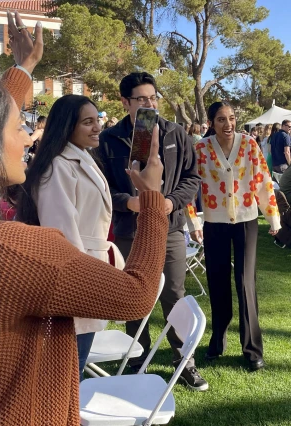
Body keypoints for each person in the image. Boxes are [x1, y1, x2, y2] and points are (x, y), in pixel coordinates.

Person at [0, 11, 168, 425]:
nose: (27, 135)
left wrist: (23, 71)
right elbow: (137, 296)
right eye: (15, 126)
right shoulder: (17, 252)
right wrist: (152, 198)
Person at [98, 72, 207, 390]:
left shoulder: (176, 133)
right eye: (142, 99)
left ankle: (184, 361)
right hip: (130, 230)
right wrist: (130, 203)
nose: (150, 104)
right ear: (125, 102)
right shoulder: (109, 140)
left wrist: (172, 203)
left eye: (153, 97)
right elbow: (102, 189)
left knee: (175, 296)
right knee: (135, 295)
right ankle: (137, 361)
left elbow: (192, 177)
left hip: (170, 227)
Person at [17, 94, 123, 382]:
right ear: (67, 126)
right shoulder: (58, 166)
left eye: (97, 119)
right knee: (66, 375)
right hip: (75, 282)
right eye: (87, 122)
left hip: (88, 271)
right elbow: (62, 238)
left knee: (72, 370)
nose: (97, 127)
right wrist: (85, 285)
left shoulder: (81, 155)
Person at [187, 101, 280, 371]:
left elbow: (263, 180)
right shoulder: (201, 149)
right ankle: (217, 340)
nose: (228, 124)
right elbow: (190, 187)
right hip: (214, 224)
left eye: (231, 118)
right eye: (220, 119)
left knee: (245, 282)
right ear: (210, 123)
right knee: (217, 281)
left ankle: (252, 349)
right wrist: (193, 221)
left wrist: (272, 217)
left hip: (246, 222)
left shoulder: (250, 144)